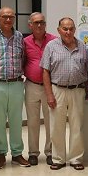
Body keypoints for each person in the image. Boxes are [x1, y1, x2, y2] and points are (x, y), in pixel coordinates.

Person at [42, 17, 88, 170]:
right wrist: (49, 94)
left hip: (77, 90)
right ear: (59, 30)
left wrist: (85, 90)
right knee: (57, 126)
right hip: (57, 90)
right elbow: (45, 71)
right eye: (65, 28)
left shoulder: (82, 46)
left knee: (77, 126)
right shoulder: (51, 46)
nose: (68, 32)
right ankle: (58, 159)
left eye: (71, 28)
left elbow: (87, 70)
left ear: (74, 29)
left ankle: (76, 159)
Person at [0, 6, 30, 169]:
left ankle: (17, 154)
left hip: (17, 83)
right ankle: (1, 154)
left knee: (17, 120)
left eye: (11, 17)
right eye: (5, 17)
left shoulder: (19, 37)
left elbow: (23, 59)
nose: (8, 20)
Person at [23, 12, 56, 165]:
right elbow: (22, 61)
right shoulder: (25, 42)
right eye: (36, 22)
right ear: (30, 25)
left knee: (51, 121)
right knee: (32, 121)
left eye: (42, 22)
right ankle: (33, 153)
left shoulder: (54, 41)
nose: (39, 25)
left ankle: (50, 152)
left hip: (49, 87)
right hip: (31, 85)